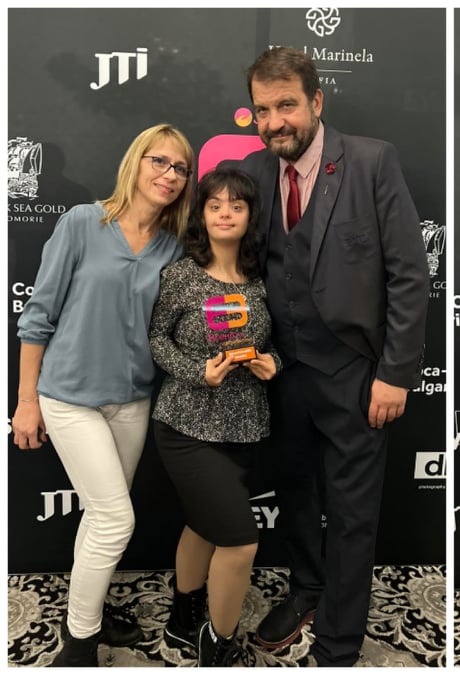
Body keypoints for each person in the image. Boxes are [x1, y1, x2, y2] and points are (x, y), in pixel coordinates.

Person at [238, 47, 429, 667]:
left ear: (316, 101)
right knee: (296, 494)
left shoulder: (372, 161)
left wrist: (395, 374)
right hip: (280, 372)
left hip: (355, 372)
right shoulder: (252, 171)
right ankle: (306, 589)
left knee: (351, 514)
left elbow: (408, 274)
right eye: (262, 110)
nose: (274, 122)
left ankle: (339, 642)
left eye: (286, 105)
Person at [11, 124, 194, 667]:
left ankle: (84, 613)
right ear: (136, 161)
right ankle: (80, 645)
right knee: (115, 520)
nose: (170, 175)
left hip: (132, 401)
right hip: (69, 398)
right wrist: (26, 402)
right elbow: (37, 315)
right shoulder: (82, 223)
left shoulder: (174, 247)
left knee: (100, 516)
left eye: (181, 168)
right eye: (160, 161)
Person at [148, 168, 280, 666]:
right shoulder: (181, 276)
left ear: (249, 217)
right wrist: (197, 372)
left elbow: (274, 346)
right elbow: (157, 339)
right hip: (186, 426)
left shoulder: (260, 281)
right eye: (215, 205)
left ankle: (183, 618)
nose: (226, 213)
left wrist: (272, 364)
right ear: (201, 215)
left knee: (204, 526)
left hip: (243, 427)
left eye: (237, 206)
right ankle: (218, 645)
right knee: (241, 543)